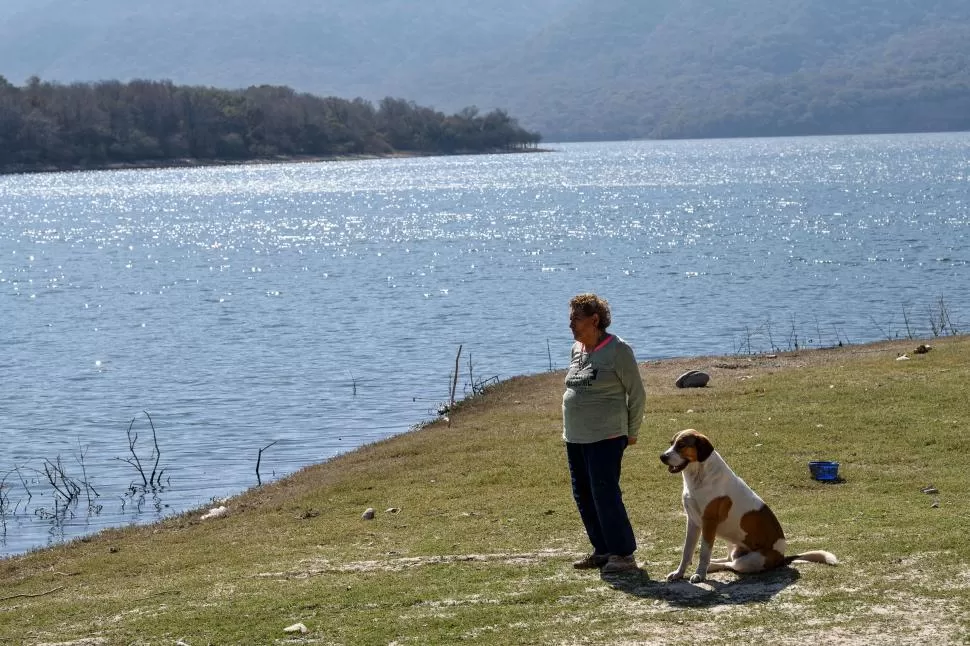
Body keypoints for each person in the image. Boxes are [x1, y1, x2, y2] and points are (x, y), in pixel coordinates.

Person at [563, 293, 646, 574]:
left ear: (594, 320)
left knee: (605, 493)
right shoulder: (577, 348)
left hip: (607, 436)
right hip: (576, 436)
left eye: (576, 318)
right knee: (583, 493)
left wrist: (631, 432)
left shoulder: (618, 350)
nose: (570, 323)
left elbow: (637, 394)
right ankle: (603, 550)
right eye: (571, 317)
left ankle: (624, 554)